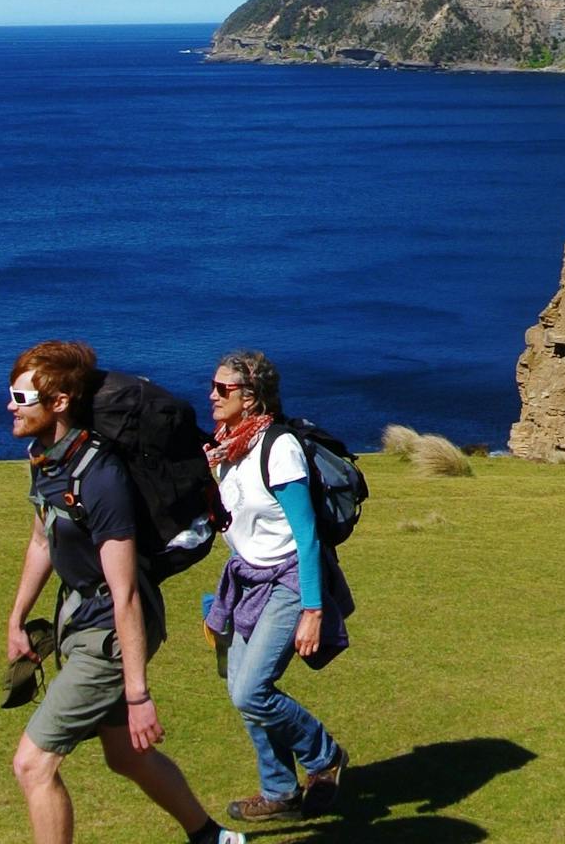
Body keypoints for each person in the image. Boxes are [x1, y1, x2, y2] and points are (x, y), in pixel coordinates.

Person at [4, 340, 241, 844]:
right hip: (80, 619)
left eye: (22, 399)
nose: (10, 406)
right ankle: (211, 837)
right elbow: (41, 536)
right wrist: (16, 617)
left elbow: (126, 591)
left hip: (110, 631)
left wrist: (139, 695)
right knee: (126, 755)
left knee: (32, 764)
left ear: (60, 402)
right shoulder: (45, 457)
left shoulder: (101, 477)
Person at [203, 349, 352, 823]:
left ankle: (324, 756)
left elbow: (305, 538)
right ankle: (280, 791)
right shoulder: (227, 448)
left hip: (288, 579)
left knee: (251, 690)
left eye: (223, 389)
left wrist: (313, 610)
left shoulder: (279, 448)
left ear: (250, 398)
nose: (212, 395)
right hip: (247, 579)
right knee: (241, 691)